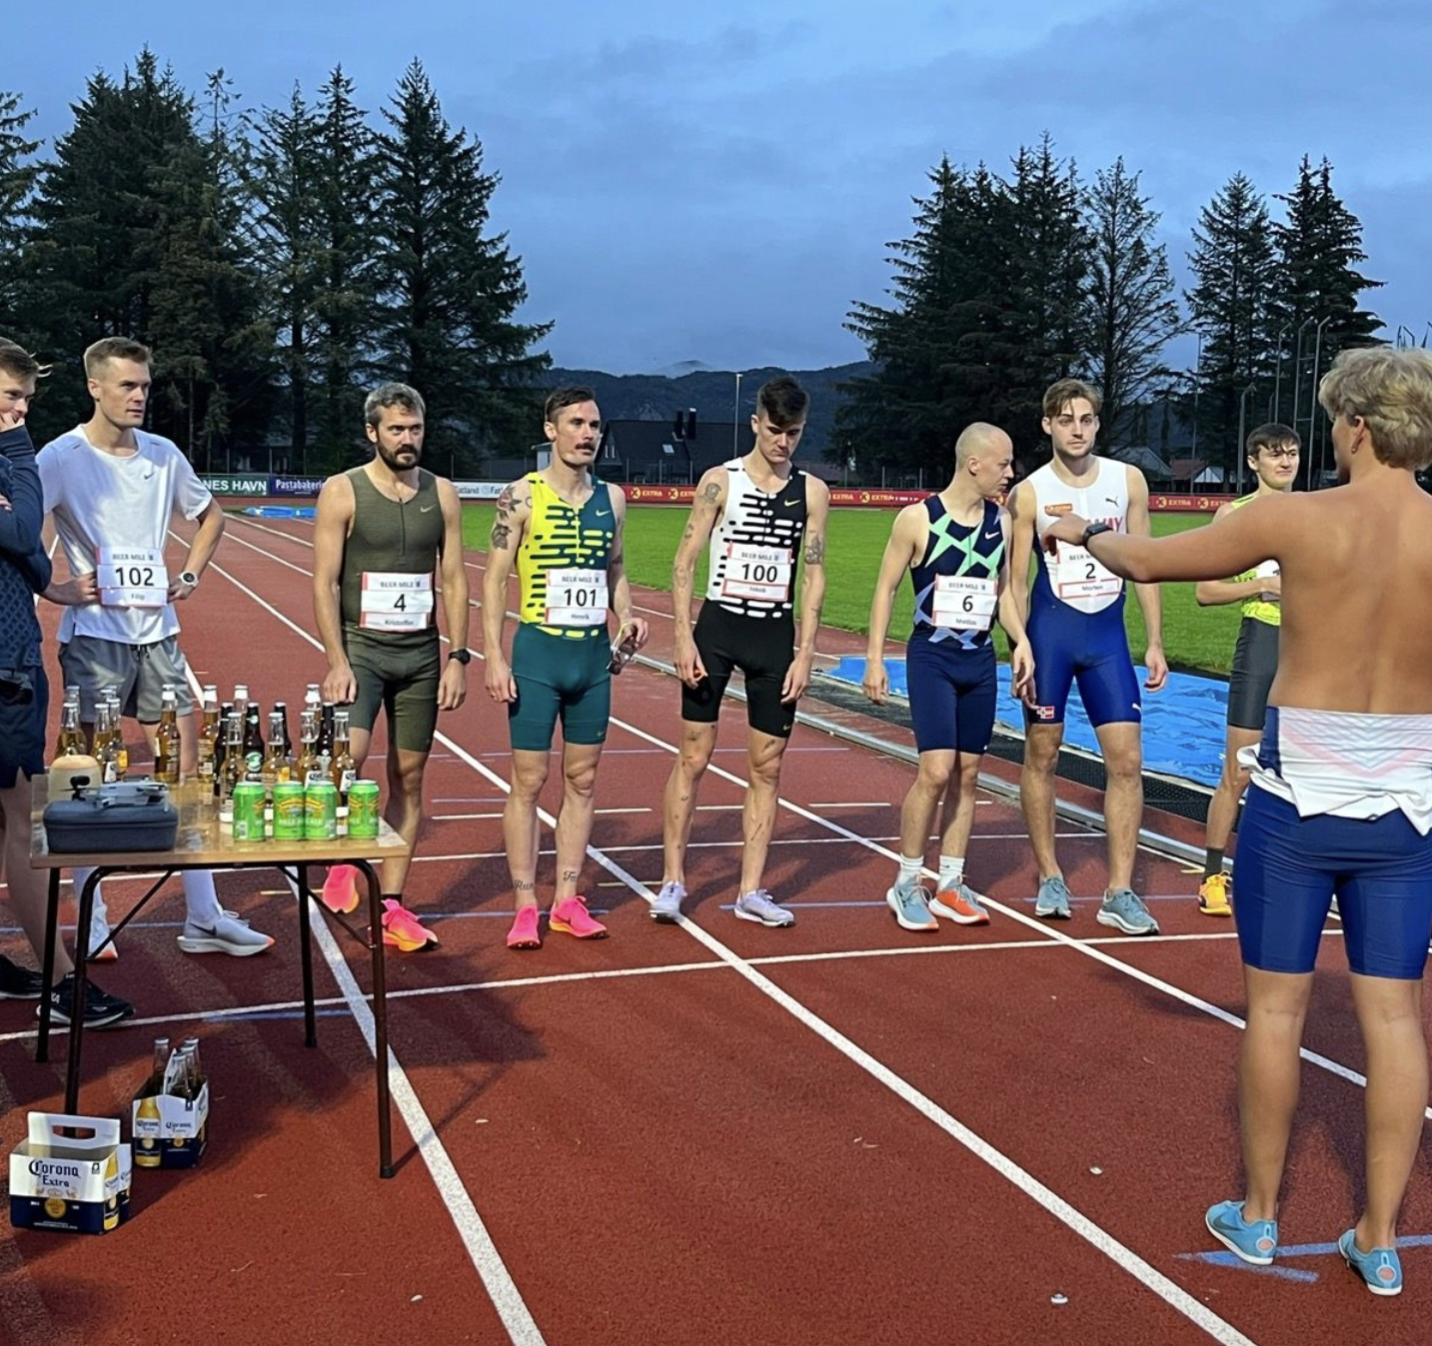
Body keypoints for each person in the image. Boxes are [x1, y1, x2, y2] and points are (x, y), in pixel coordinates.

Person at [1044, 345, 1432, 1297]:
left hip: (1299, 797)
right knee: (1393, 1015)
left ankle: (1259, 1219)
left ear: (1356, 427)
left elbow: (1148, 559)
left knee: (1276, 1007)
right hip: (1409, 800)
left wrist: (1080, 533)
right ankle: (1378, 1238)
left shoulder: (1295, 518)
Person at [38, 338, 273, 960]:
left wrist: (190, 577)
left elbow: (211, 515)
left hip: (160, 635)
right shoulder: (60, 457)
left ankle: (204, 915)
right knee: (93, 777)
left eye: (144, 385)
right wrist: (56, 587)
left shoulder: (164, 455)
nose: (140, 396)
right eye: (127, 386)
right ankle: (92, 918)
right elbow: (22, 530)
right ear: (94, 387)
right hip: (94, 639)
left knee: (185, 772)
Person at [653, 375, 829, 927]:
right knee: (694, 755)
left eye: (794, 433)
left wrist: (806, 652)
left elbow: (814, 574)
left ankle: (751, 890)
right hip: (719, 630)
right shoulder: (719, 482)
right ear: (756, 423)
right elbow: (684, 561)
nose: (784, 442)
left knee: (767, 767)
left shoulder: (813, 493)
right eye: (775, 430)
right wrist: (682, 635)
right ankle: (673, 882)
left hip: (774, 639)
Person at [483, 388, 647, 950]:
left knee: (582, 781)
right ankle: (525, 902)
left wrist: (627, 616)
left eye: (594, 425)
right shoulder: (520, 497)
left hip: (590, 658)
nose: (587, 434)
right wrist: (495, 656)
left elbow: (617, 571)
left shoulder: (613, 499)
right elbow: (492, 578)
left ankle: (567, 899)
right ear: (550, 430)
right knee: (528, 782)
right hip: (538, 656)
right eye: (575, 423)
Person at [0, 339, 133, 1027]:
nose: (20, 412)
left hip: (11, 654)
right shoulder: (12, 456)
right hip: (5, 667)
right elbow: (24, 527)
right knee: (20, 825)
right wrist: (20, 452)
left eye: (26, 401)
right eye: (9, 398)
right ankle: (60, 985)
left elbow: (18, 550)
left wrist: (47, 583)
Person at [1007, 378, 1168, 936]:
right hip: (1050, 637)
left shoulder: (1128, 481)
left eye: (1087, 419)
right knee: (1042, 756)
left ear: (1098, 424)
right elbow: (1015, 582)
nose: (1077, 429)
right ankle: (1051, 873)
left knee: (1125, 762)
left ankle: (1119, 890)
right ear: (1048, 425)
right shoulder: (1028, 491)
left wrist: (1154, 640)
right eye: (1066, 419)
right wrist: (1019, 646)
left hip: (1106, 640)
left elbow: (1143, 562)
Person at [312, 382, 469, 951]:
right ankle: (343, 857)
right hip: (363, 648)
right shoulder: (343, 492)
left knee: (409, 778)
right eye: (397, 430)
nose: (408, 440)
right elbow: (325, 582)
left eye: (416, 429)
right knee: (346, 761)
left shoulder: (442, 493)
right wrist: (336, 659)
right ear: (372, 432)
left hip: (421, 656)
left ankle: (394, 905)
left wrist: (458, 657)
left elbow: (453, 578)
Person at [863, 424, 1035, 931]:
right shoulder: (918, 520)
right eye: (1003, 464)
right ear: (973, 463)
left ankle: (951, 882)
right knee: (936, 771)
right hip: (933, 658)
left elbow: (1000, 591)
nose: (1010, 472)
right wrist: (875, 658)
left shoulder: (1000, 522)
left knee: (969, 773)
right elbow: (885, 589)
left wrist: (1020, 640)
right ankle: (907, 880)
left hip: (979, 660)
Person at [1193, 424, 1299, 918]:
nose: (1286, 462)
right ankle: (1214, 874)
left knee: (1303, 772)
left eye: (1293, 453)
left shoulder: (1313, 512)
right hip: (1261, 644)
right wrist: (1262, 587)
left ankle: (1286, 873)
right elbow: (1206, 590)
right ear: (1253, 461)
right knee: (1239, 771)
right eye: (1275, 454)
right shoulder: (1232, 515)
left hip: (1309, 650)